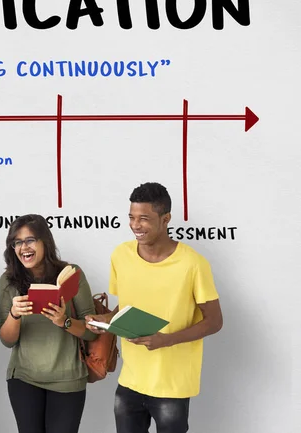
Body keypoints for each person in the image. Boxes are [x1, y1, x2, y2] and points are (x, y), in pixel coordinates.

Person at [86, 182, 223, 433]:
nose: (135, 225)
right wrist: (104, 318)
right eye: (131, 217)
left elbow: (214, 321)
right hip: (130, 380)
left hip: (172, 385)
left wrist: (167, 340)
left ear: (166, 219)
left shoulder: (193, 264)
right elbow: (124, 307)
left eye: (144, 219)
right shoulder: (121, 255)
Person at [0, 214, 97, 433]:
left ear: (45, 241)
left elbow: (92, 332)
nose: (24, 247)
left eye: (30, 240)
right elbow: (6, 341)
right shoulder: (8, 281)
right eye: (17, 242)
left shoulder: (71, 274)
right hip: (24, 377)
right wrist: (14, 315)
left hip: (68, 377)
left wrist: (65, 321)